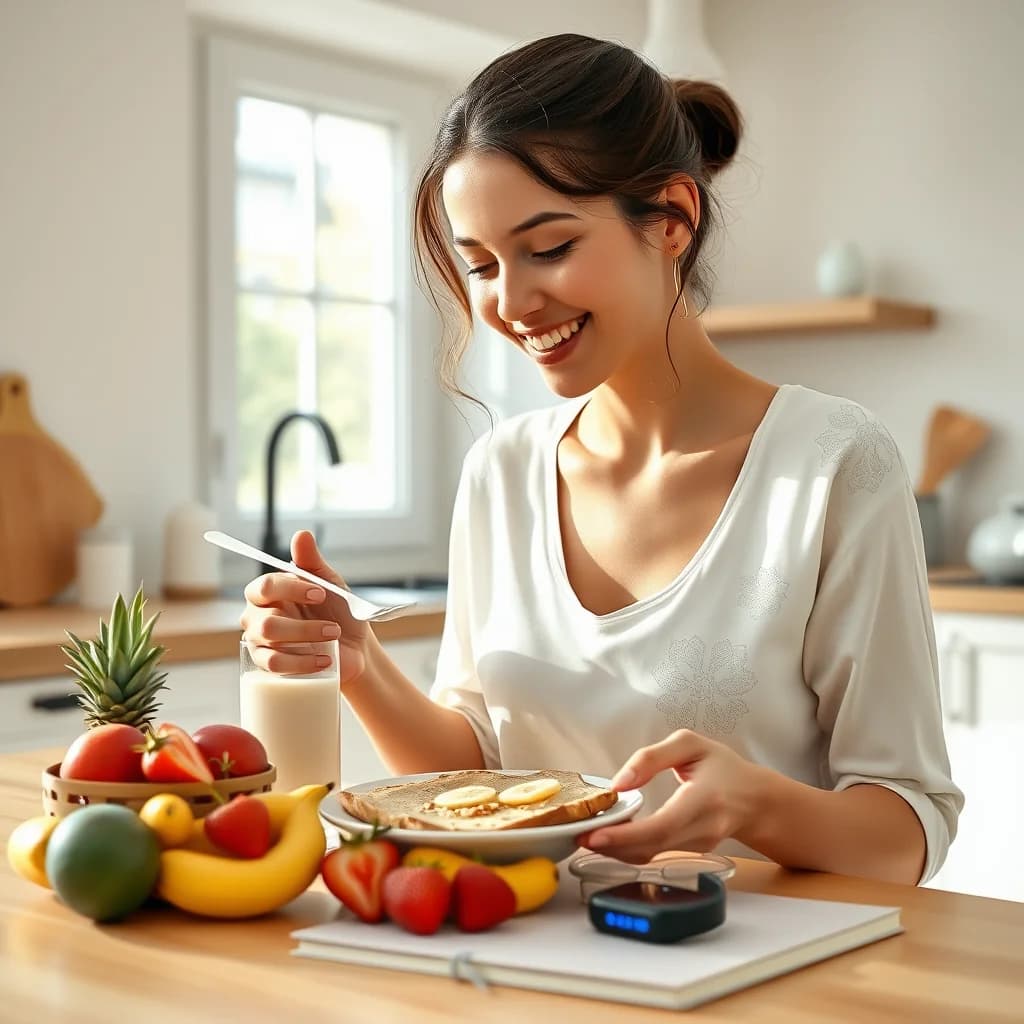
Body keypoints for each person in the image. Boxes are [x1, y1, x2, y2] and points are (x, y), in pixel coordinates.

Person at [241, 33, 962, 885]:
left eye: (547, 248)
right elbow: (477, 765)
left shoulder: (834, 465)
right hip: (523, 963)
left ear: (671, 219)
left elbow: (907, 830)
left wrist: (753, 804)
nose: (510, 303)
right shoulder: (503, 472)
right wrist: (357, 663)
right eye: (481, 265)